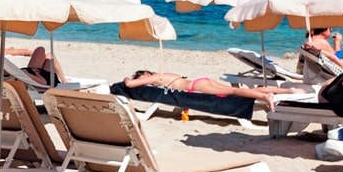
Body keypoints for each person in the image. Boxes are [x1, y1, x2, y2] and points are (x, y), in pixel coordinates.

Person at [120, 70, 300, 103]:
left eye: (142, 77)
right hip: (200, 80)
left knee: (234, 91)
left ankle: (265, 97)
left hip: (196, 85)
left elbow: (129, 84)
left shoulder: (156, 77)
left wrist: (127, 78)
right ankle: (287, 90)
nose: (144, 81)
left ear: (147, 74)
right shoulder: (162, 75)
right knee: (239, 91)